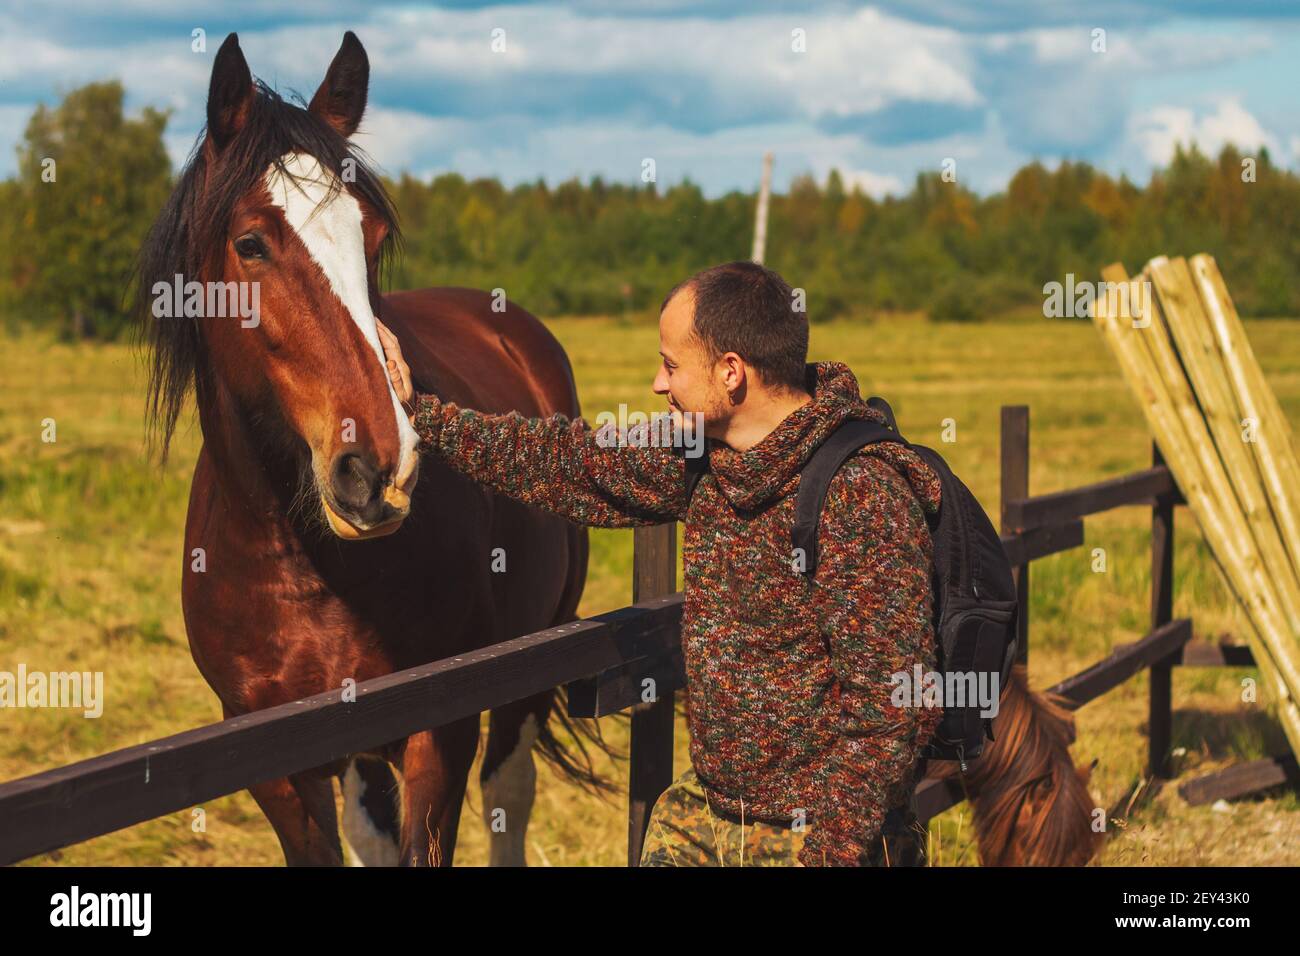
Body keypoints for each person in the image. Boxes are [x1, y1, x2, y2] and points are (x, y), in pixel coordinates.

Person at [377, 260, 942, 866]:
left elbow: (893, 704)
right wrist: (423, 414)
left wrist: (828, 854)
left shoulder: (862, 494)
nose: (656, 383)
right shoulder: (702, 458)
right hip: (709, 814)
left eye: (672, 365)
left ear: (731, 372)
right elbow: (567, 462)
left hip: (821, 839)